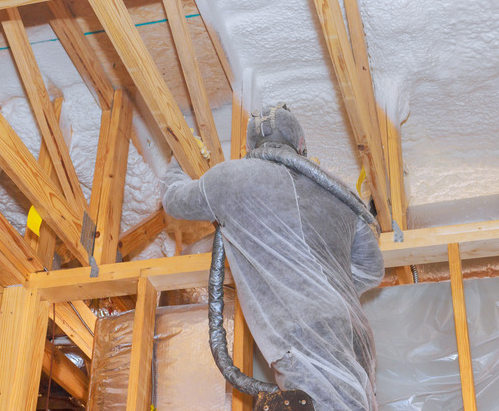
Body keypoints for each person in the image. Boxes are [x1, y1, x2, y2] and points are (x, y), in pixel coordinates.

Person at [162, 104, 384, 411]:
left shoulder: (230, 180)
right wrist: (327, 288)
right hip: (357, 335)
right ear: (302, 147)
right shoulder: (341, 195)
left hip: (303, 332)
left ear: (250, 148)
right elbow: (372, 271)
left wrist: (177, 159)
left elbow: (174, 200)